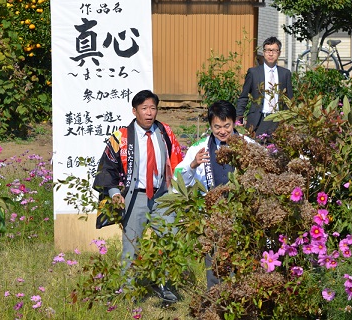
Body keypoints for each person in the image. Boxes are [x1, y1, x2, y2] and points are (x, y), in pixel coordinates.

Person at [93, 90, 183, 303]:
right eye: (144, 108)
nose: (149, 113)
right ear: (135, 111)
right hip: (136, 197)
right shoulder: (121, 137)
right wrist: (115, 193)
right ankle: (128, 292)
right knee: (131, 247)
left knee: (169, 242)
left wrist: (178, 192)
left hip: (162, 196)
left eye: (153, 108)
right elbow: (106, 169)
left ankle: (166, 288)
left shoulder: (165, 131)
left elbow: (177, 161)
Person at [175, 100, 253, 289]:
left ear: (235, 122)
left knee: (243, 259)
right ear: (210, 126)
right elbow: (178, 181)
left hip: (242, 213)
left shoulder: (249, 145)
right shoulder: (200, 148)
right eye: (217, 127)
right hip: (212, 214)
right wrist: (193, 164)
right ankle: (215, 302)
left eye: (227, 125)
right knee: (215, 260)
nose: (223, 131)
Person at [236, 36, 293, 138]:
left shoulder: (285, 74)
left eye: (274, 51)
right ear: (263, 52)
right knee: (256, 150)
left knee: (276, 151)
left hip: (277, 120)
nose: (271, 54)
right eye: (268, 50)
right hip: (258, 119)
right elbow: (244, 96)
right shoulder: (253, 72)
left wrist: (289, 119)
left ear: (279, 53)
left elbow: (289, 99)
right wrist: (239, 115)